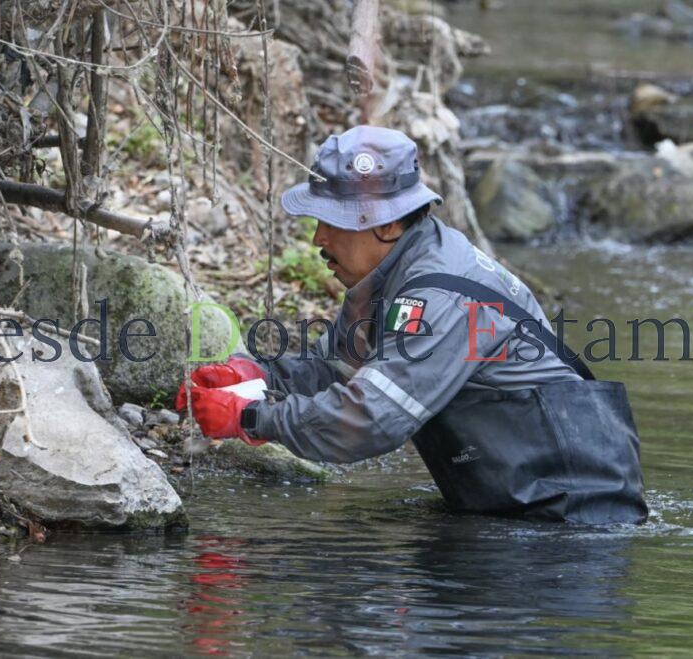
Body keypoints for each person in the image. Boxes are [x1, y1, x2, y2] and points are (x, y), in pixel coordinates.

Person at [180, 125, 648, 524]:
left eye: (331, 221)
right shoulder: (394, 274)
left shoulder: (439, 294)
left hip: (571, 523)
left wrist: (251, 418)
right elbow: (338, 369)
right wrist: (257, 375)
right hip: (514, 506)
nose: (318, 237)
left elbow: (369, 420)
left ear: (386, 225)